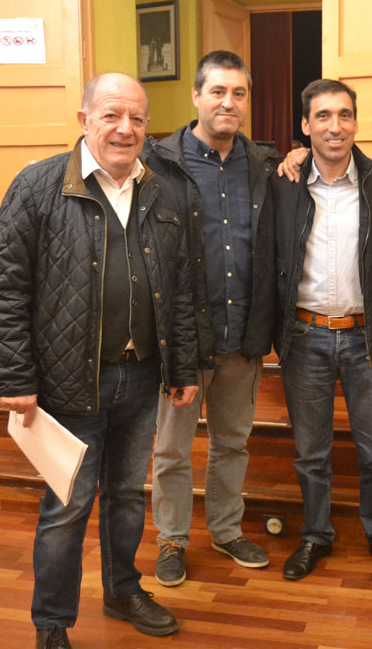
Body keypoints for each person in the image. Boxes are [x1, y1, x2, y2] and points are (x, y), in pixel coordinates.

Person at [0, 73, 199, 648]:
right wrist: (15, 376)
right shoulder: (38, 187)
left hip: (142, 377)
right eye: (111, 116)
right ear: (84, 120)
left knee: (126, 497)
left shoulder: (160, 193)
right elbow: (1, 288)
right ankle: (52, 624)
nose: (125, 129)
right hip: (68, 381)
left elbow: (178, 291)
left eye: (137, 119)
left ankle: (123, 590)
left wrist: (183, 368)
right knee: (67, 508)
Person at [143, 51, 279, 587]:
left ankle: (225, 530)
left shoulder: (265, 165)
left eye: (238, 93)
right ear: (196, 95)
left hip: (242, 335)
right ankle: (172, 539)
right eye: (218, 91)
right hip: (182, 337)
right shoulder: (158, 163)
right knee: (171, 449)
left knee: (232, 443)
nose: (228, 102)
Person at [270, 79, 372, 583]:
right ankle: (316, 534)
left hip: (366, 339)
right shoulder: (283, 183)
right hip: (304, 336)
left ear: (356, 123)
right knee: (311, 453)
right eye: (323, 116)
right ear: (305, 126)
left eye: (345, 115)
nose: (335, 126)